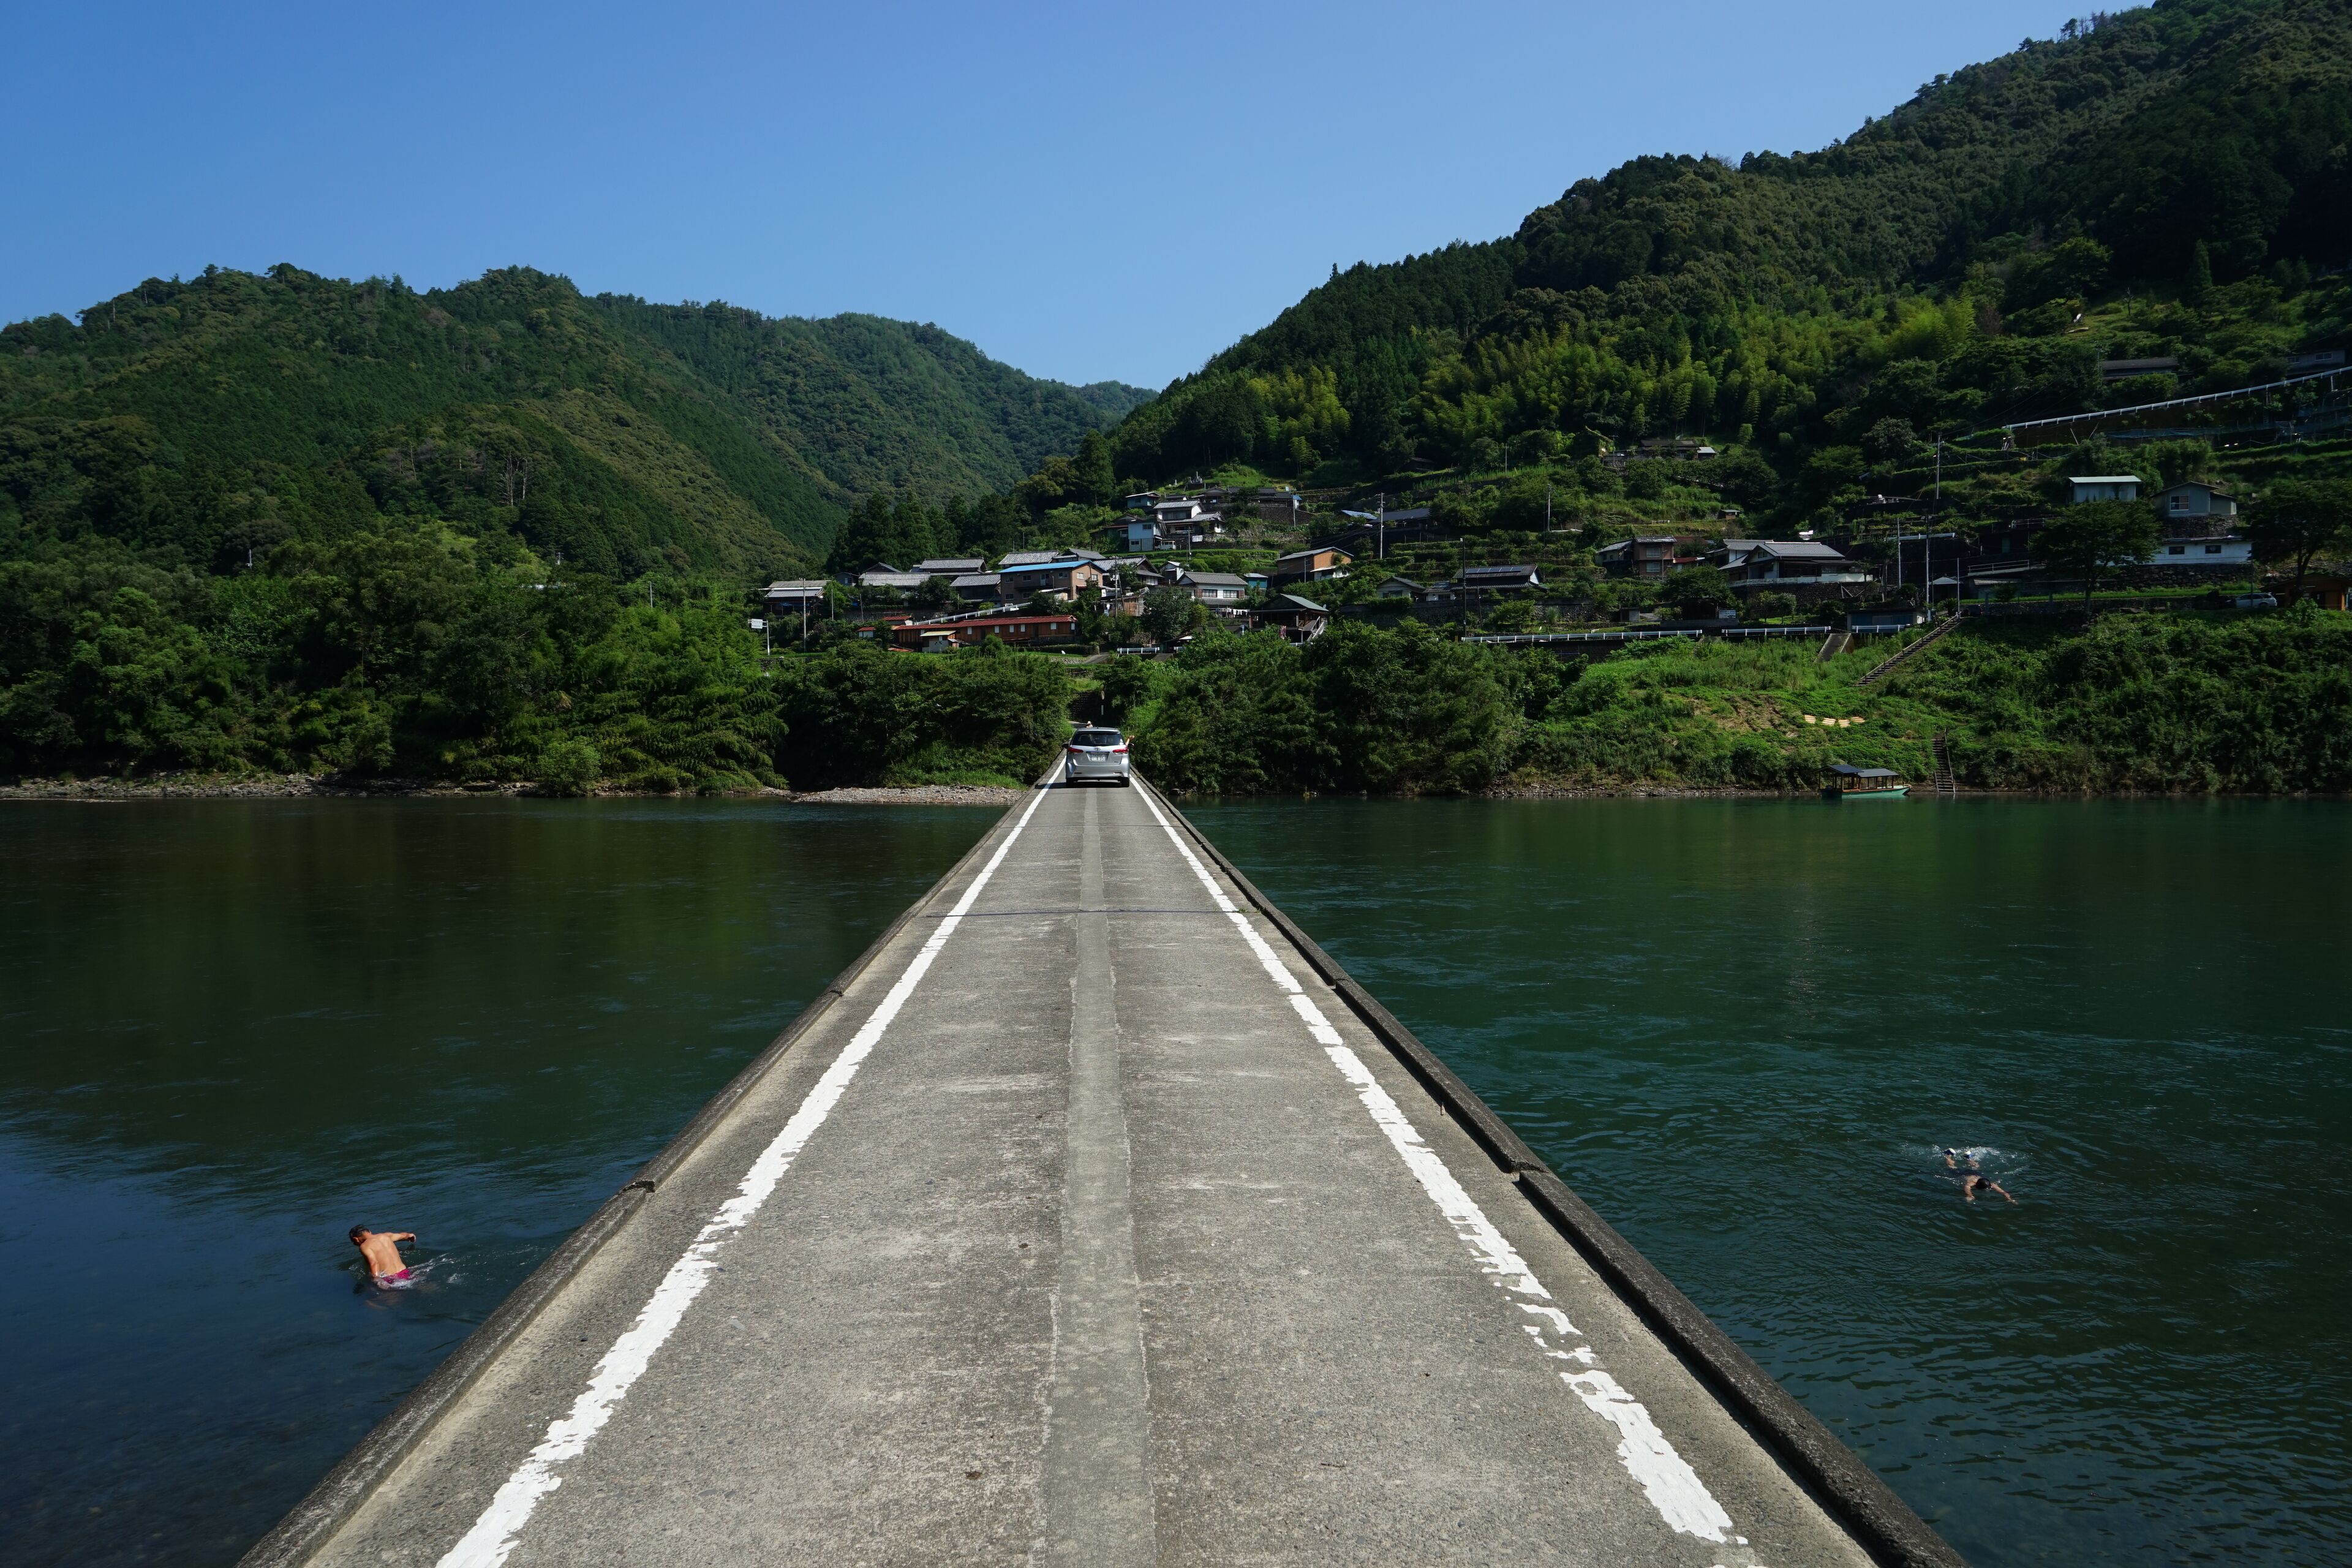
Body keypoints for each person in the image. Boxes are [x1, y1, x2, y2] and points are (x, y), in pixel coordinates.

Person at [351, 1224, 418, 1286]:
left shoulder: (365, 1246)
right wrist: (409, 1236)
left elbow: (374, 1263)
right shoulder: (386, 1236)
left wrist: (376, 1280)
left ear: (356, 1239)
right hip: (405, 1273)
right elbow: (403, 1236)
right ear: (370, 1232)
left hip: (390, 1279)